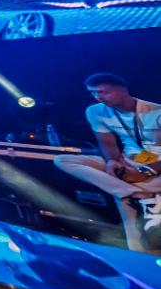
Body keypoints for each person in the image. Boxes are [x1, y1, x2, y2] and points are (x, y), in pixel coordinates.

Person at [53, 73, 161, 253]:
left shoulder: (155, 112)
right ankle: (133, 193)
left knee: (133, 223)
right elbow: (106, 142)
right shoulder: (95, 111)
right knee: (63, 159)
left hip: (156, 166)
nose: (98, 97)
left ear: (123, 90)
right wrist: (111, 161)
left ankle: (134, 196)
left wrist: (144, 172)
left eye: (104, 92)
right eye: (93, 92)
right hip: (128, 161)